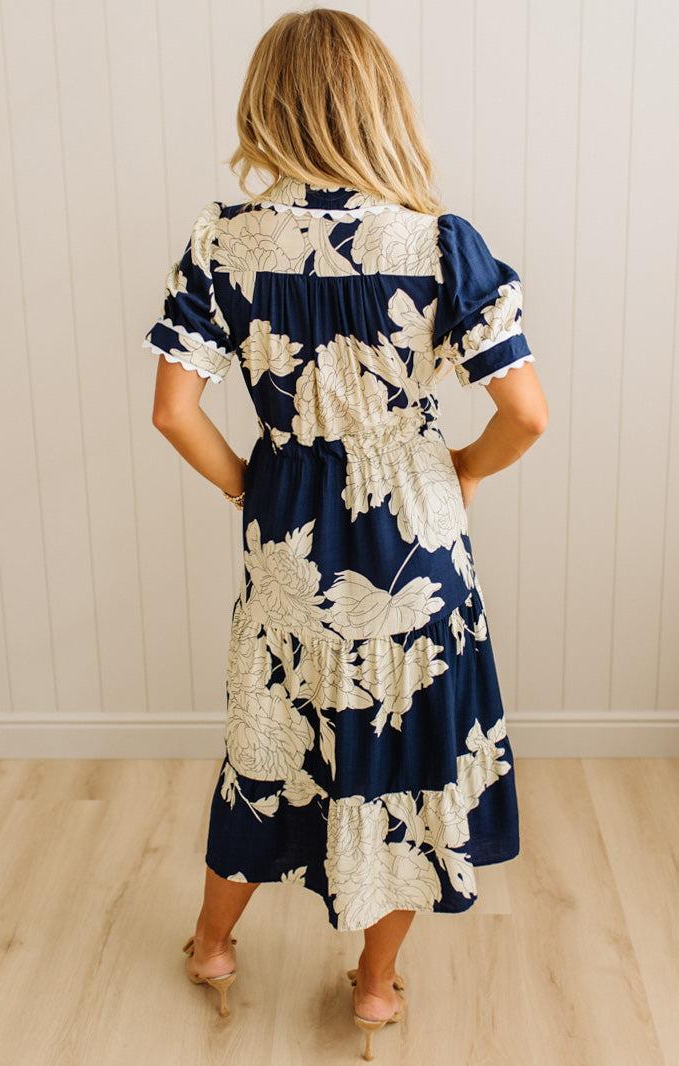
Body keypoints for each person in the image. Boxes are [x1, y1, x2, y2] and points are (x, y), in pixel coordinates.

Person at [142, 7, 548, 1059]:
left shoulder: (226, 239)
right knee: (400, 746)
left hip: (289, 530)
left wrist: (255, 492)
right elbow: (528, 414)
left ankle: (213, 947)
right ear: (379, 104)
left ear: (270, 106)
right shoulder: (438, 243)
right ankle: (374, 985)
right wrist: (452, 468)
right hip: (417, 529)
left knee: (266, 738)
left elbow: (173, 408)